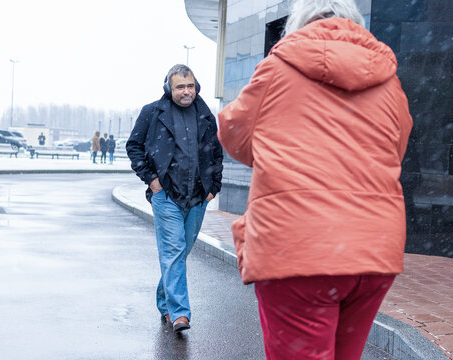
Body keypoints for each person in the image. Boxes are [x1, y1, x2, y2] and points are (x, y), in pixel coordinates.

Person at [217, 0, 413, 359]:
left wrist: (281, 153)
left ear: (300, 22)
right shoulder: (390, 81)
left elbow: (234, 134)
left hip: (299, 247)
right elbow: (394, 150)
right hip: (372, 250)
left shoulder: (278, 67)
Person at [126, 64, 223, 332]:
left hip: (198, 197)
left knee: (179, 254)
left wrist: (214, 186)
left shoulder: (205, 114)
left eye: (190, 86)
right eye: (180, 86)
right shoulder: (153, 113)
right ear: (169, 88)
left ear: (196, 86)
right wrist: (152, 181)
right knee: (174, 252)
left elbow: (216, 152)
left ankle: (164, 301)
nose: (186, 91)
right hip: (166, 195)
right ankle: (179, 314)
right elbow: (133, 146)